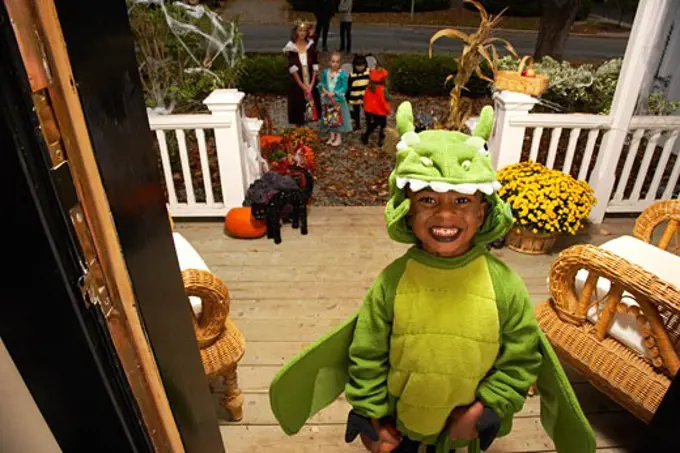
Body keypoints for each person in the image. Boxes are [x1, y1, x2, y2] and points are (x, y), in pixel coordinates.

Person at [268, 101, 596, 453]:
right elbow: (367, 351)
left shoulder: (504, 285)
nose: (445, 214)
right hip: (400, 427)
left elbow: (522, 357)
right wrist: (370, 414)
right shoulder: (392, 282)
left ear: (483, 210)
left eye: (461, 201)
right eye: (427, 199)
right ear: (407, 211)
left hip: (462, 430)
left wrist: (485, 410)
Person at [283, 22, 319, 127]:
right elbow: (292, 68)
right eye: (300, 30)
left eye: (304, 30)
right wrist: (302, 86)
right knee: (297, 105)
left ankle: (306, 129)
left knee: (309, 106)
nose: (302, 33)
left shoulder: (310, 45)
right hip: (297, 81)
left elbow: (315, 64)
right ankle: (296, 131)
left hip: (310, 78)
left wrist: (312, 84)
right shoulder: (291, 47)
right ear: (295, 32)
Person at [318, 51, 352, 146]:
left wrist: (335, 93)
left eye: (337, 62)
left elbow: (344, 87)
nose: (335, 64)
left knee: (338, 119)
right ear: (329, 62)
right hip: (328, 98)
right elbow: (323, 83)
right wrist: (324, 90)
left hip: (337, 100)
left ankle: (338, 137)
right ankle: (331, 136)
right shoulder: (326, 72)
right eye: (333, 61)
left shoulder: (342, 74)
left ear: (340, 63)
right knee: (330, 118)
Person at [361, 65, 391, 147]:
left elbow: (366, 100)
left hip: (371, 110)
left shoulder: (369, 88)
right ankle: (380, 139)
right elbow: (387, 99)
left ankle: (366, 136)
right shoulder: (383, 89)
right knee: (383, 125)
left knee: (375, 123)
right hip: (381, 110)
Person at [346, 54, 369, 130]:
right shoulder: (352, 75)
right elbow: (349, 86)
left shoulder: (367, 73)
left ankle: (369, 122)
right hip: (355, 97)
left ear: (365, 65)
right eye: (358, 66)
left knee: (367, 111)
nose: (360, 67)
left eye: (362, 65)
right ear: (354, 66)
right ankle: (357, 125)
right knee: (356, 112)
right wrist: (347, 97)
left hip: (365, 96)